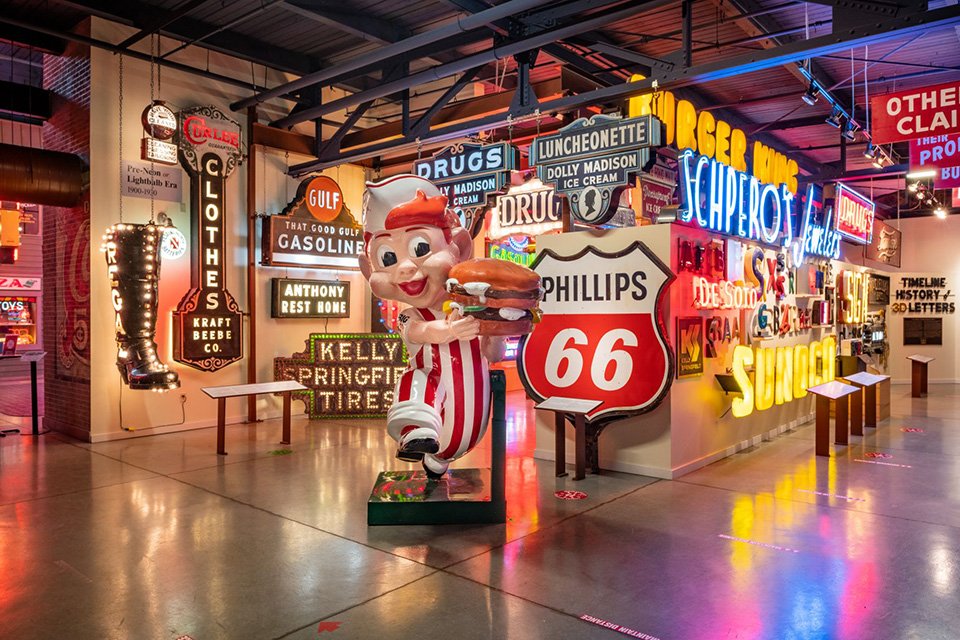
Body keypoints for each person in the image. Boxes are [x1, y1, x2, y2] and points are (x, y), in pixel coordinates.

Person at [360, 175, 505, 479]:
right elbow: (422, 332)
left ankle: (436, 462)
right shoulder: (408, 316)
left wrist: (495, 331)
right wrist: (451, 331)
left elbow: (494, 354)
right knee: (416, 376)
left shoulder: (473, 309)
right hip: (438, 413)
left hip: (474, 417)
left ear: (460, 249)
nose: (404, 268)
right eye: (388, 257)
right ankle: (416, 431)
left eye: (421, 247)